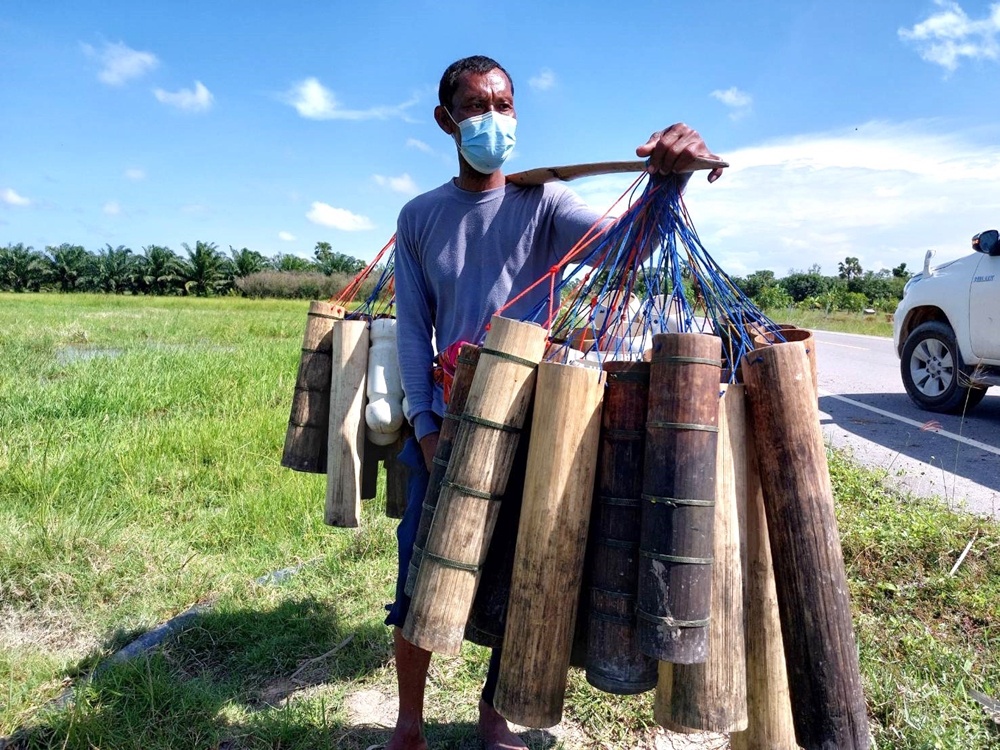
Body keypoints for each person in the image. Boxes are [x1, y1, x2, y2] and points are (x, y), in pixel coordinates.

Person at [387, 54, 725, 750]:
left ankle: (493, 712)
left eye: (504, 105)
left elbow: (623, 247)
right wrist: (425, 427)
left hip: (530, 425)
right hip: (447, 425)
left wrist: (668, 183)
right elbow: (412, 332)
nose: (493, 120)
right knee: (420, 577)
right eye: (477, 107)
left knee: (515, 575)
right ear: (446, 120)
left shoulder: (542, 205)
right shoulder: (419, 217)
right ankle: (409, 722)